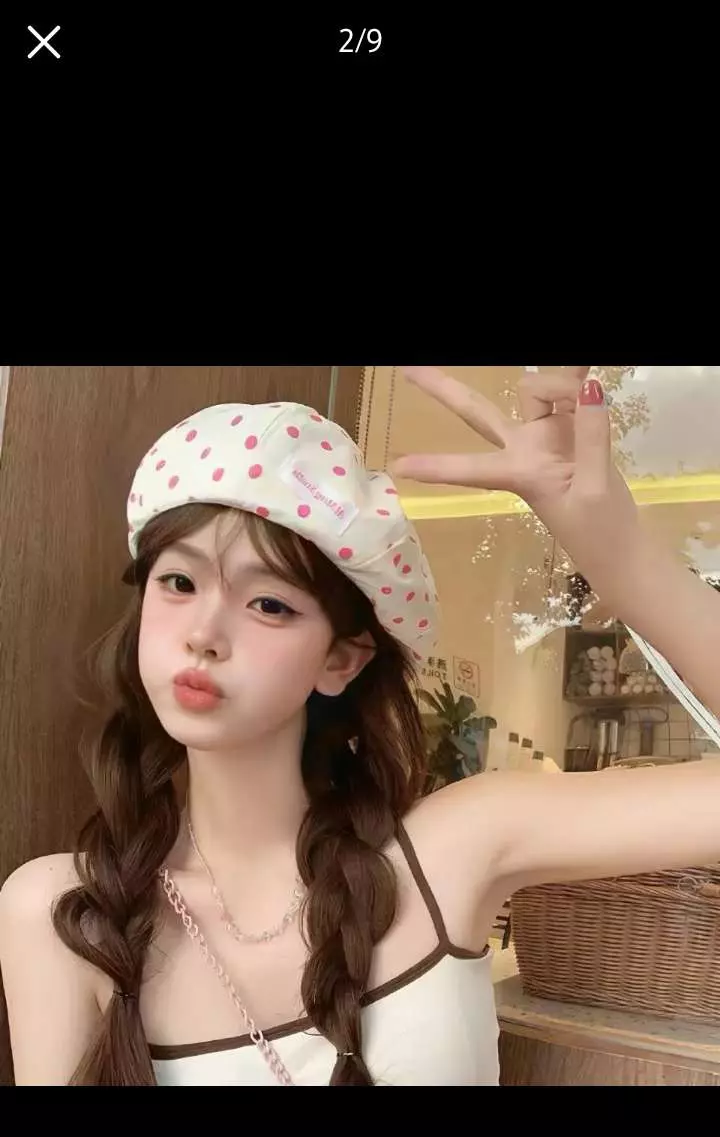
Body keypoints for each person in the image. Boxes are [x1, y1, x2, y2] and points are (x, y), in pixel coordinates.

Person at [2, 367, 720, 1086]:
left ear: (340, 660)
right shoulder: (62, 914)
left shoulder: (451, 852)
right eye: (179, 583)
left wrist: (620, 556)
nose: (204, 634)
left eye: (270, 605)